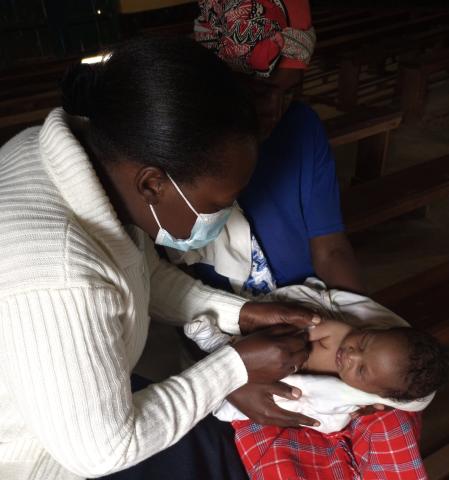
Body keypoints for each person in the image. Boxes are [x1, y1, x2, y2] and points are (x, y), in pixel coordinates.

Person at [0, 37, 327, 480]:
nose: (227, 215)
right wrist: (233, 370)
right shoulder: (61, 276)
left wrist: (241, 313)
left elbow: (138, 269)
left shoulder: (84, 159)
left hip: (65, 395)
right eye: (221, 201)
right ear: (153, 184)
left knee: (221, 446)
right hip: (36, 455)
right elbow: (101, 450)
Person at [189, 0, 431, 477]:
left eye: (291, 91)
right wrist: (228, 379)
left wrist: (366, 344)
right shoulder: (180, 148)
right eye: (258, 89)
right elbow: (172, 301)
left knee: (389, 419)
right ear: (213, 80)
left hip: (316, 315)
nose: (273, 108)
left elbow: (331, 247)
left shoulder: (300, 129)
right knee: (277, 445)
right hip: (226, 334)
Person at [185, 282, 445, 433]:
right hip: (274, 351)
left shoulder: (350, 393)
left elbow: (326, 408)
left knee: (228, 407)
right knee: (253, 348)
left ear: (374, 393)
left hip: (282, 381)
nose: (352, 355)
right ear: (375, 329)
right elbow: (296, 330)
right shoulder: (339, 334)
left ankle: (218, 368)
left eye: (362, 371)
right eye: (365, 342)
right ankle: (219, 344)